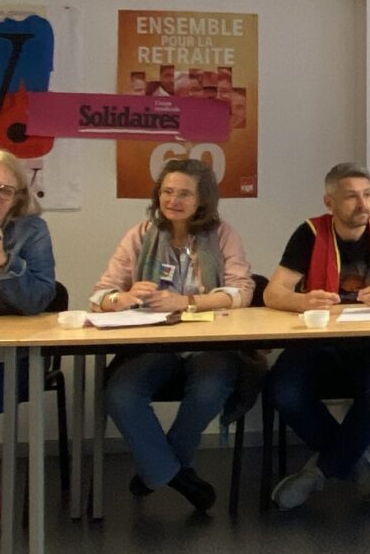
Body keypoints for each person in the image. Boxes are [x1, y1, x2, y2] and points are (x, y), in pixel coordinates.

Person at [90, 158, 254, 512]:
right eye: (167, 191)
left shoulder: (222, 234)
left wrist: (188, 301)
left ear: (202, 200)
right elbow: (100, 294)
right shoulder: (139, 235)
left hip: (209, 344)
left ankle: (159, 466)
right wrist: (125, 297)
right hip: (152, 345)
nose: (173, 200)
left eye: (184, 193)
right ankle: (174, 473)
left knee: (211, 388)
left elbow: (242, 291)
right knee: (119, 393)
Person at [265, 163, 370, 511]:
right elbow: (273, 293)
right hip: (318, 342)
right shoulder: (309, 233)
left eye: (367, 194)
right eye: (352, 197)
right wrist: (302, 300)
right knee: (283, 390)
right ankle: (354, 462)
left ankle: (317, 474)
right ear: (329, 202)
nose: (363, 204)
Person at [0, 149, 56, 522]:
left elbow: (39, 298)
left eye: (5, 190)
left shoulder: (30, 230)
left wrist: (2, 261)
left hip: (5, 355)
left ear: (18, 197)